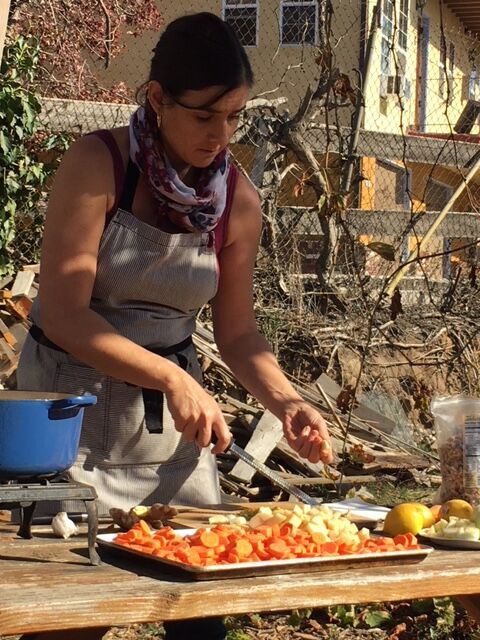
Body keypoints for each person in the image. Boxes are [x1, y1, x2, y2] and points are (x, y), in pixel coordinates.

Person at [17, 11, 332, 640]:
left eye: (235, 117)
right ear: (157, 99)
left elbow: (238, 334)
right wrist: (170, 377)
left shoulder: (235, 200)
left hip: (170, 440)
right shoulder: (97, 164)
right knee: (71, 614)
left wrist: (287, 401)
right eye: (203, 115)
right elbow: (67, 315)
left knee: (199, 611)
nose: (221, 134)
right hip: (68, 425)